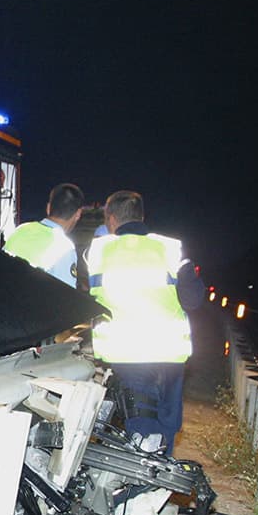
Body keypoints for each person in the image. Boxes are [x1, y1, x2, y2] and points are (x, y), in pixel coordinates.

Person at [88, 190, 204, 455]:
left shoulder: (98, 251)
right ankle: (159, 483)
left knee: (140, 429)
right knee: (166, 424)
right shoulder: (172, 248)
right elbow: (194, 300)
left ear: (111, 219)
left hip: (128, 353)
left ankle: (140, 489)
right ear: (142, 216)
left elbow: (86, 299)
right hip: (170, 355)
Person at [4, 183, 84, 287]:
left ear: (48, 207)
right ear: (78, 214)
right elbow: (65, 298)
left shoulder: (20, 230)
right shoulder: (64, 247)